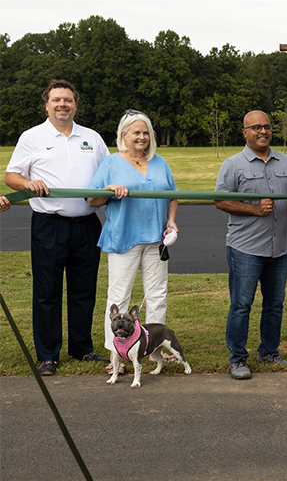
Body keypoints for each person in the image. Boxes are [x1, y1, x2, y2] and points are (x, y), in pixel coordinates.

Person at [5, 79, 111, 376]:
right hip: (49, 225)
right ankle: (48, 355)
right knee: (47, 291)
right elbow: (11, 176)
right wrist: (27, 183)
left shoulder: (91, 137)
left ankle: (82, 349)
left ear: (76, 105)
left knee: (84, 290)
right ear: (47, 104)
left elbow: (111, 170)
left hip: (87, 225)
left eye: (68, 100)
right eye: (56, 100)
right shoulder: (32, 137)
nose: (62, 104)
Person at [215, 110, 287, 380]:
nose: (263, 131)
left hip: (278, 250)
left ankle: (268, 352)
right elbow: (221, 201)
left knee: (275, 304)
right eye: (256, 127)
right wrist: (254, 209)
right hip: (245, 249)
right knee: (241, 304)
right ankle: (237, 359)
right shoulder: (233, 164)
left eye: (267, 126)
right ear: (245, 132)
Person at [87, 110, 179, 368]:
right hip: (123, 238)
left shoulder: (160, 162)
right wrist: (108, 190)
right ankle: (116, 353)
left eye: (145, 132)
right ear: (124, 135)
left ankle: (155, 348)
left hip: (156, 239)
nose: (141, 137)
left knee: (157, 295)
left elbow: (172, 195)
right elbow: (91, 200)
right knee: (119, 296)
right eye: (136, 132)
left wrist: (171, 221)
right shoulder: (111, 163)